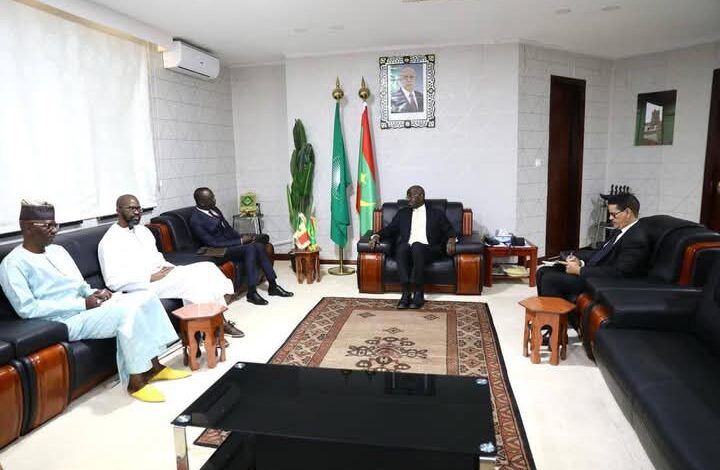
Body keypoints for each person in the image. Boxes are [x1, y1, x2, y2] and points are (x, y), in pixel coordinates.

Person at [0, 201, 189, 403]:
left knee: (146, 297)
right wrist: (82, 304)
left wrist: (96, 293)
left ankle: (155, 367)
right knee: (126, 314)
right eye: (48, 226)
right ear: (27, 227)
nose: (54, 230)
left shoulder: (58, 251)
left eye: (55, 224)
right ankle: (136, 381)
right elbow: (27, 309)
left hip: (86, 306)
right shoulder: (13, 264)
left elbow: (79, 284)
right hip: (62, 320)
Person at [98, 194, 245, 338]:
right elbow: (113, 281)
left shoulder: (143, 231)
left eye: (139, 209)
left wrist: (168, 267)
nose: (137, 213)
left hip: (162, 274)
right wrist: (149, 277)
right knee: (194, 282)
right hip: (143, 285)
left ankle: (216, 324)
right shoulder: (110, 241)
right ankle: (215, 327)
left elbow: (157, 257)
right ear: (118, 210)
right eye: (131, 209)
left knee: (207, 268)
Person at [536, 193, 650, 304]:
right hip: (593, 272)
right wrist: (580, 262)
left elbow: (618, 272)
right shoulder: (619, 231)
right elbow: (600, 253)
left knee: (550, 279)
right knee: (542, 271)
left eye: (614, 214)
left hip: (603, 281)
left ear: (628, 212)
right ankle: (545, 313)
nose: (610, 218)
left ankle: (555, 317)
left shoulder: (636, 238)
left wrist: (579, 270)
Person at [189, 187, 293, 306]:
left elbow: (228, 228)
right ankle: (252, 292)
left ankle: (273, 286)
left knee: (258, 246)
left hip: (228, 244)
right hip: (216, 250)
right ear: (201, 202)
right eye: (211, 198)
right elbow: (213, 243)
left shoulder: (214, 209)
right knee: (250, 248)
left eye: (213, 196)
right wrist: (240, 241)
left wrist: (242, 237)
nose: (214, 199)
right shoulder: (196, 220)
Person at [368, 185, 457, 309]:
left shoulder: (436, 213)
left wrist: (452, 240)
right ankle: (406, 292)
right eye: (407, 196)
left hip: (429, 249)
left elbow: (450, 230)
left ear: (421, 196)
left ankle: (418, 292)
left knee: (417, 246)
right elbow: (390, 229)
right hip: (407, 249)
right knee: (402, 247)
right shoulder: (403, 213)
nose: (408, 199)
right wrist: (377, 235)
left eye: (411, 196)